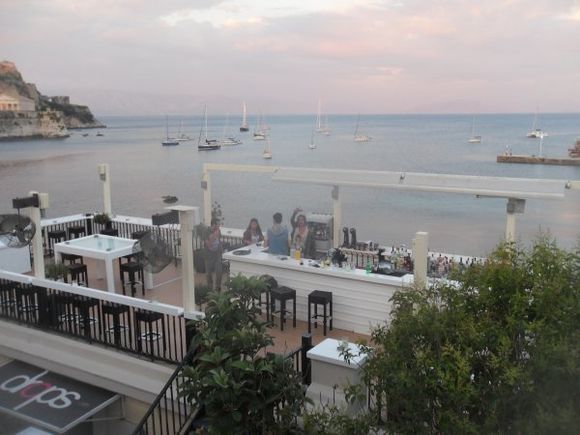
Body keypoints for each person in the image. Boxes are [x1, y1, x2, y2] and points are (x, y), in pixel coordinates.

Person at [204, 218, 222, 291]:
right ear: (213, 225)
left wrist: (222, 249)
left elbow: (219, 241)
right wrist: (214, 236)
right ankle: (210, 288)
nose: (219, 226)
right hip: (208, 255)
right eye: (218, 224)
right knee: (208, 273)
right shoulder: (206, 232)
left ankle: (218, 287)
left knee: (219, 271)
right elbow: (209, 245)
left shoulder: (218, 231)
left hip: (217, 254)